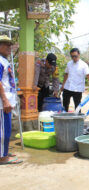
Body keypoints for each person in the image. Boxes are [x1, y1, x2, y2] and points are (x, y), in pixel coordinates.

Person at [0, 35, 22, 164]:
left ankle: (4, 152)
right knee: (4, 131)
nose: (9, 47)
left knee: (5, 129)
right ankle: (3, 157)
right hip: (3, 103)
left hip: (6, 101)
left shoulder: (4, 60)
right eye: (6, 44)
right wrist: (5, 100)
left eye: (10, 45)